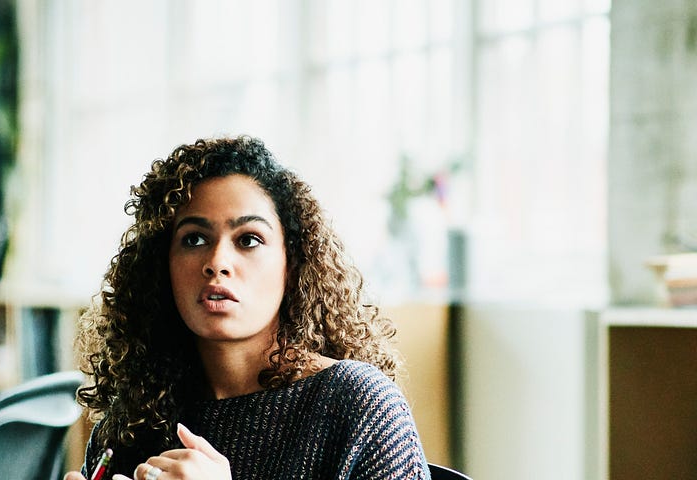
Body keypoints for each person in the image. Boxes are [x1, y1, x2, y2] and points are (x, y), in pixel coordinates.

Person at [63, 136, 430, 480]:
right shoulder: (133, 421)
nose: (217, 261)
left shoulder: (360, 405)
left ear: (294, 262)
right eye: (194, 239)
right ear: (162, 267)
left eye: (249, 240)